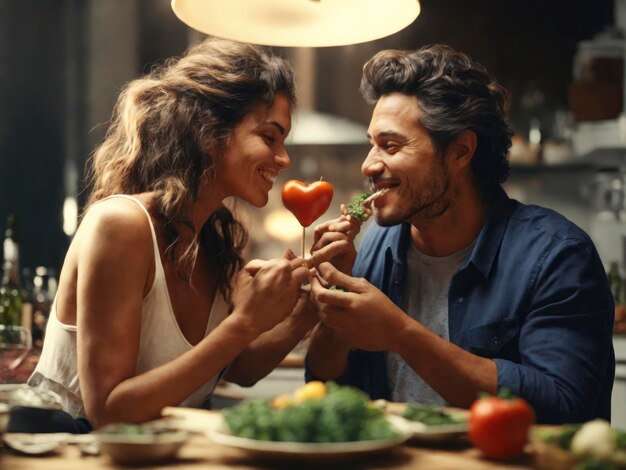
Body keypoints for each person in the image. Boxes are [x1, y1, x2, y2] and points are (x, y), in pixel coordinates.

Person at [17, 38, 328, 433]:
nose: (284, 159)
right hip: (71, 450)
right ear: (208, 131)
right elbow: (108, 412)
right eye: (269, 137)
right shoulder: (121, 225)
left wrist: (308, 310)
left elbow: (238, 367)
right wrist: (246, 322)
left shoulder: (217, 240)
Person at [306, 44, 615, 424]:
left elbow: (561, 404)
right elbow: (324, 384)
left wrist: (399, 333)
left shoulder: (558, 255)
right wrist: (338, 295)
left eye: (390, 145)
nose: (368, 165)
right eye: (372, 145)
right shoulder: (375, 243)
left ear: (460, 151)